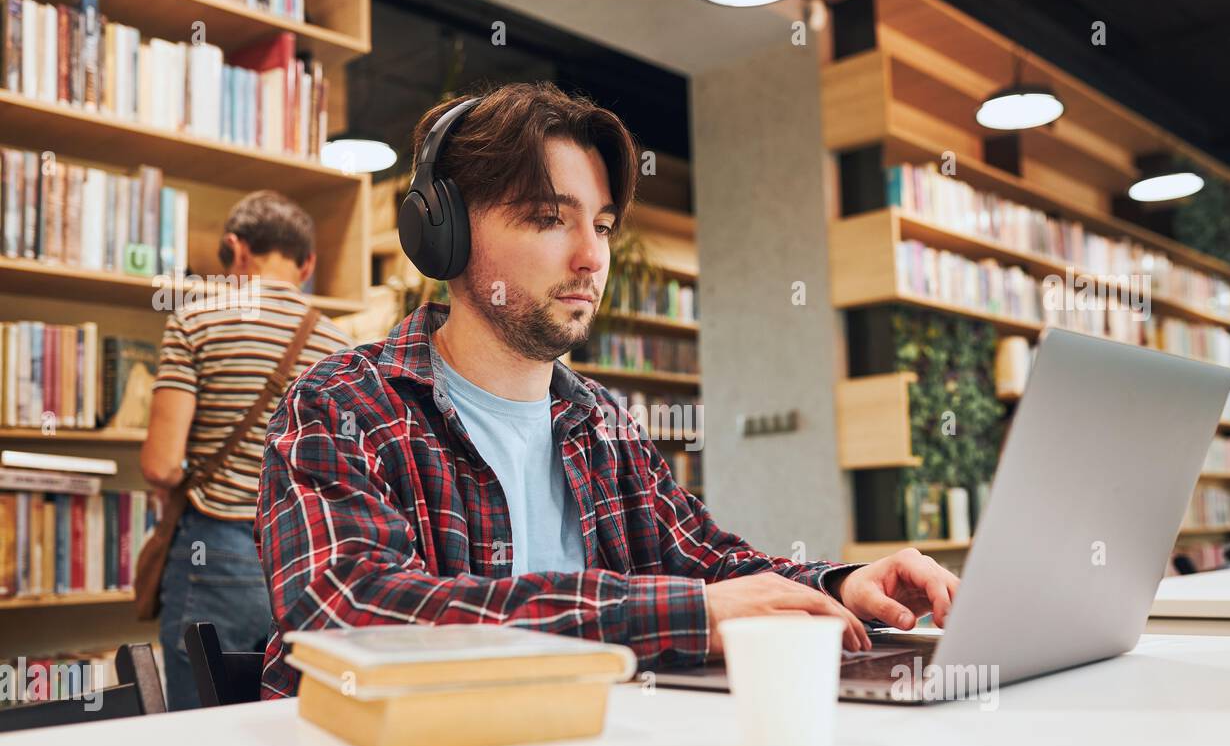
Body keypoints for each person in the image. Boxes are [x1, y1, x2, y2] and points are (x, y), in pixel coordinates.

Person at [255, 82, 960, 700]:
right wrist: (684, 615)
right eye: (548, 218)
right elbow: (351, 612)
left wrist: (838, 585)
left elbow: (710, 561)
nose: (592, 257)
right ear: (444, 234)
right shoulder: (343, 404)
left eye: (602, 225)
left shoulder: (602, 423)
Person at [141, 191, 352, 710]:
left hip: (217, 552)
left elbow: (161, 464)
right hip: (309, 560)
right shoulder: (340, 347)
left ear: (236, 249)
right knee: (288, 720)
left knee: (201, 726)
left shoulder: (196, 323)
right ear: (308, 264)